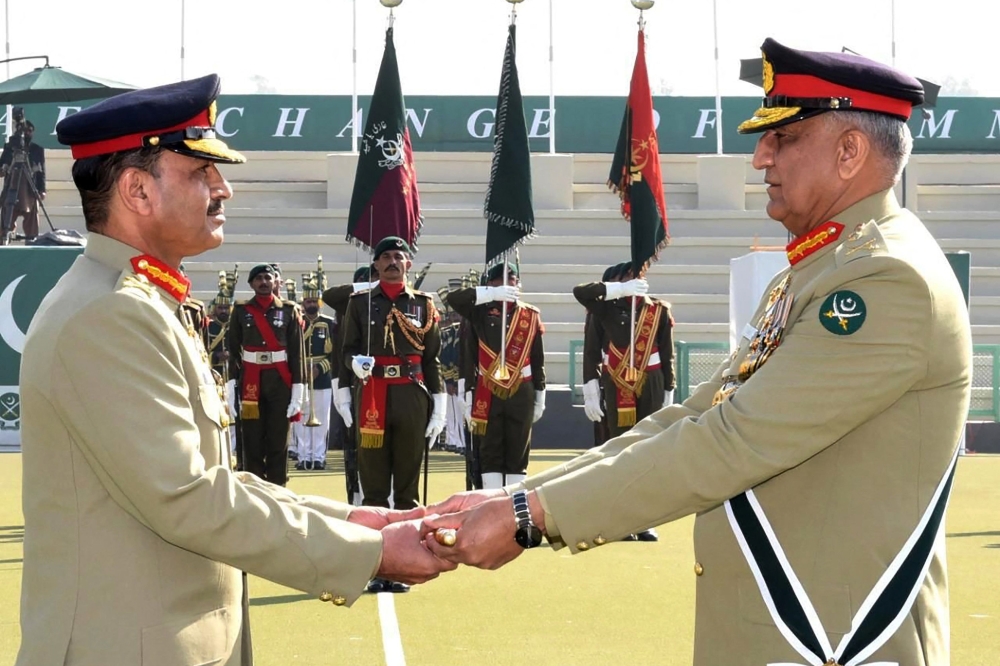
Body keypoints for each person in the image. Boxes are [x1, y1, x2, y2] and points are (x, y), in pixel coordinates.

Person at [422, 40, 971, 666]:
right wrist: (516, 498)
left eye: (784, 137)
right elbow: (694, 417)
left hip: (837, 642)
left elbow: (732, 440)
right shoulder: (820, 270)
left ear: (850, 152)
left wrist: (531, 516)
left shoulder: (885, 280)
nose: (761, 155)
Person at [18, 74, 453, 666]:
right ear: (137, 191)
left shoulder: (140, 302)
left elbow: (213, 480)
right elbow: (191, 498)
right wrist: (371, 552)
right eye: (201, 172)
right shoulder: (111, 314)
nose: (223, 188)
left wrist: (355, 517)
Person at [339, 236, 446, 593]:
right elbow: (346, 350)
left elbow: (431, 359)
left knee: (406, 485)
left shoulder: (425, 305)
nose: (392, 262)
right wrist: (351, 369)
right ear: (376, 265)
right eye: (385, 257)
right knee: (372, 484)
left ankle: (404, 565)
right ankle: (373, 564)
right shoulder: (361, 303)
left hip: (411, 395)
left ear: (408, 265)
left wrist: (439, 404)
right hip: (372, 395)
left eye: (398, 257)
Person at [445, 262, 546, 489]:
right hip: (486, 388)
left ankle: (513, 504)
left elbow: (537, 358)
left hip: (522, 388)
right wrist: (490, 295)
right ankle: (490, 501)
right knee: (490, 450)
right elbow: (454, 300)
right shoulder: (479, 311)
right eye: (499, 279)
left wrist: (541, 392)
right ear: (490, 283)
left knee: (518, 450)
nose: (507, 283)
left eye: (512, 279)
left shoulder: (530, 315)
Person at [226, 263, 304, 486]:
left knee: (278, 441)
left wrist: (298, 391)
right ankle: (253, 489)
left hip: (279, 382)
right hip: (250, 380)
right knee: (251, 440)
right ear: (251, 284)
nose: (263, 282)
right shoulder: (241, 311)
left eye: (268, 278)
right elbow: (234, 352)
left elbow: (297, 354)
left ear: (275, 282)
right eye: (258, 278)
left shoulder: (288, 310)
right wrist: (231, 388)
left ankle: (279, 490)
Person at [322, 264, 379, 504]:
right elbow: (339, 358)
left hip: (388, 388)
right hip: (355, 386)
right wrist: (340, 393)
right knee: (355, 448)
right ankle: (357, 499)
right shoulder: (347, 309)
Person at [294, 273, 336, 471]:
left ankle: (318, 456)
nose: (311, 304)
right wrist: (302, 370)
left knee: (321, 419)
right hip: (301, 376)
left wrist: (320, 368)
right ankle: (303, 456)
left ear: (319, 302)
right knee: (301, 418)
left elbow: (335, 353)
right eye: (308, 301)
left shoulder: (329, 324)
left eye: (314, 300)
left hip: (322, 376)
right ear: (303, 302)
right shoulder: (296, 323)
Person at [0, 115, 46, 243]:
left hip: (30, 190)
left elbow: (41, 172)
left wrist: (42, 190)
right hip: (12, 187)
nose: (27, 134)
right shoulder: (10, 147)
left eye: (30, 131)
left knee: (32, 223)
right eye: (25, 131)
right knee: (6, 220)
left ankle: (32, 243)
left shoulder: (37, 150)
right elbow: (2, 167)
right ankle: (4, 241)